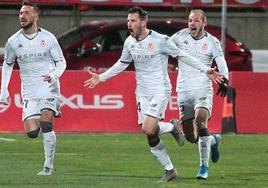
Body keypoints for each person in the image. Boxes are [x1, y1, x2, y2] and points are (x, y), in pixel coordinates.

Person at [84, 7, 223, 182]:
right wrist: (101, 78)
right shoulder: (129, 42)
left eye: (133, 20)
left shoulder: (160, 40)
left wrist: (206, 69)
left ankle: (177, 138)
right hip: (142, 92)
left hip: (160, 89)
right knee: (151, 133)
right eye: (128, 21)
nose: (129, 24)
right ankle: (170, 167)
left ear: (143, 22)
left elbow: (182, 55)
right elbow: (122, 63)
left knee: (148, 128)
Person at [0, 0, 66, 176]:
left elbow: (61, 62)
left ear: (36, 16)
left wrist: (54, 75)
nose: (22, 16)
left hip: (49, 87)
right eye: (21, 13)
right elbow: (7, 65)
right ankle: (46, 123)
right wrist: (4, 90)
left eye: (26, 13)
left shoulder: (48, 38)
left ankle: (48, 166)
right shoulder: (13, 41)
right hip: (29, 92)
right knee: (32, 133)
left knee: (46, 123)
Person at [170, 9, 229, 180]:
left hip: (203, 87)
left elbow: (221, 63)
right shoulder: (179, 37)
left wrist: (224, 80)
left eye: (196, 20)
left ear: (204, 23)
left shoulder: (212, 42)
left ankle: (203, 167)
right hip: (184, 90)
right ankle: (212, 140)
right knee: (191, 137)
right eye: (190, 20)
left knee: (200, 120)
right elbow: (164, 47)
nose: (192, 24)